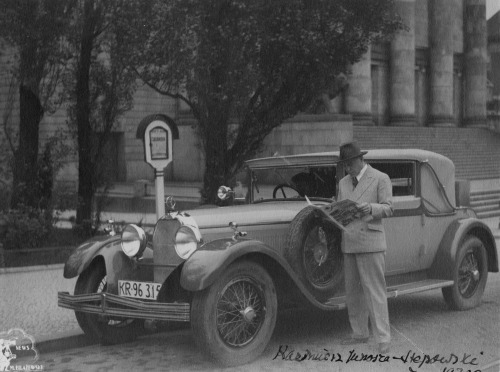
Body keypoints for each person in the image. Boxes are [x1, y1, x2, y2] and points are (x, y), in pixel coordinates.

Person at [336, 141, 393, 354]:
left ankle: (383, 338)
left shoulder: (380, 178)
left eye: (350, 163)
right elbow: (341, 206)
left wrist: (370, 208)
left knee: (375, 291)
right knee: (353, 292)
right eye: (344, 164)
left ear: (361, 160)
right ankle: (359, 332)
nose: (347, 168)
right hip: (349, 241)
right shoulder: (343, 183)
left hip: (371, 242)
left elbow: (389, 208)